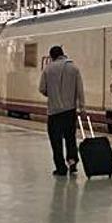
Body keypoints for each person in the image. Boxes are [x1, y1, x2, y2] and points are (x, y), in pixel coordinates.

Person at [39, 45, 84, 176]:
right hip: (70, 111)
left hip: (54, 112)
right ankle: (72, 162)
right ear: (63, 54)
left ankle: (61, 168)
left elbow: (42, 88)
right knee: (70, 138)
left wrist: (51, 94)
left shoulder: (48, 69)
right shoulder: (74, 68)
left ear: (52, 56)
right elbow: (79, 90)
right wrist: (82, 108)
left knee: (56, 141)